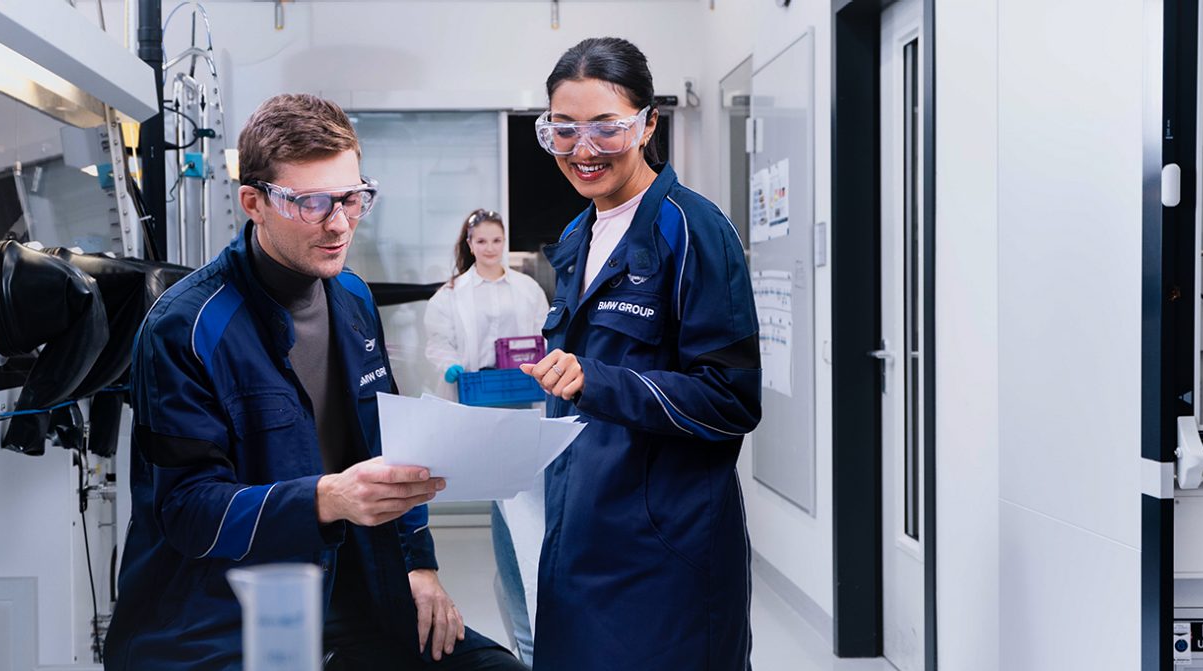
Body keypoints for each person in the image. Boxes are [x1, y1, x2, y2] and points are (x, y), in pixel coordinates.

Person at [106, 93, 524, 671]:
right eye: (311, 203)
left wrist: (419, 565)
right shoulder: (186, 327)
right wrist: (326, 499)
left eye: (352, 199)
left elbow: (390, 445)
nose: (339, 224)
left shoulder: (352, 298)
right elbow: (187, 511)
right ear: (253, 202)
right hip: (223, 624)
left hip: (353, 599)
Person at [517, 38, 763, 669]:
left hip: (664, 552)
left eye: (607, 128)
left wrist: (595, 381)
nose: (583, 151)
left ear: (649, 125)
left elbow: (730, 400)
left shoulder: (693, 230)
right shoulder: (578, 234)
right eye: (563, 130)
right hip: (578, 531)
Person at [420, 209, 549, 664]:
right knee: (507, 499)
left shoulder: (527, 288)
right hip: (478, 397)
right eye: (482, 242)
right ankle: (525, 632)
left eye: (497, 241)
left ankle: (527, 629)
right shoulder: (452, 293)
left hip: (522, 396)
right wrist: (451, 366)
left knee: (518, 501)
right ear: (469, 244)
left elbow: (546, 334)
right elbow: (438, 341)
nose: (490, 249)